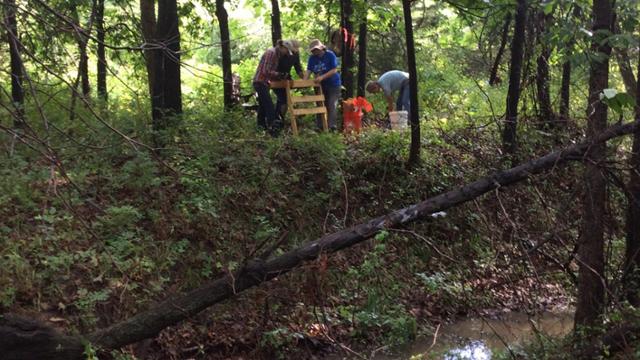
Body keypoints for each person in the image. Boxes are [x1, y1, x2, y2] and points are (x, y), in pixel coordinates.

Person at [252, 41, 294, 135]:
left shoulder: (276, 55)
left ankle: (261, 127)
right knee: (269, 106)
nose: (286, 53)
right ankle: (274, 129)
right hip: (260, 81)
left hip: (265, 83)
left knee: (263, 106)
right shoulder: (271, 53)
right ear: (282, 47)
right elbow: (266, 71)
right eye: (286, 51)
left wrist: (283, 76)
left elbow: (271, 72)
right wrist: (280, 74)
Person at [304, 39, 341, 131]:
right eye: (312, 50)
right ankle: (320, 126)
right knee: (320, 104)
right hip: (319, 85)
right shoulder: (312, 58)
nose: (314, 52)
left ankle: (332, 126)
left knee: (331, 104)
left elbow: (334, 70)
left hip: (333, 84)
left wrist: (322, 77)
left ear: (321, 48)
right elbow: (309, 71)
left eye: (315, 49)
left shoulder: (330, 55)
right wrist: (304, 81)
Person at [274, 40, 304, 121]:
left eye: (295, 50)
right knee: (283, 99)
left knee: (283, 100)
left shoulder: (295, 54)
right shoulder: (280, 54)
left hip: (287, 78)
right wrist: (280, 76)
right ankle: (278, 119)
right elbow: (274, 68)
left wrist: (304, 79)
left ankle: (279, 119)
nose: (293, 52)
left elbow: (298, 68)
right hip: (276, 78)